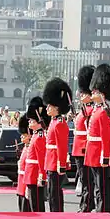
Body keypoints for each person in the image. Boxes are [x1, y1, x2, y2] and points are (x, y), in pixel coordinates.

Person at [84, 64, 110, 213]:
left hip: (99, 154)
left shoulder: (103, 111)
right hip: (93, 152)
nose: (92, 93)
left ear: (102, 93)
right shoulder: (97, 110)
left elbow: (106, 136)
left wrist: (105, 156)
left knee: (102, 185)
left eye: (95, 91)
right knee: (97, 185)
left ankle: (103, 209)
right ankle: (99, 207)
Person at [42, 78, 72, 212]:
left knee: (55, 193)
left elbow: (62, 146)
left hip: (55, 162)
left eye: (49, 106)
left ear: (56, 107)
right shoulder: (54, 122)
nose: (47, 108)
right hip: (50, 161)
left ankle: (57, 213)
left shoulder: (60, 123)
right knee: (52, 192)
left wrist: (61, 164)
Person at [73, 65, 96, 212]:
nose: (80, 96)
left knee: (87, 181)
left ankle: (87, 205)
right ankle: (86, 203)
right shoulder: (83, 111)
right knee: (83, 180)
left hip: (84, 150)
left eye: (83, 94)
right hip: (78, 149)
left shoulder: (91, 110)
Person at [24, 97, 50, 212]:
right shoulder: (35, 135)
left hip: (35, 173)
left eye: (32, 121)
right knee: (32, 201)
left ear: (39, 123)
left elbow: (41, 157)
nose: (29, 122)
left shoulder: (40, 137)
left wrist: (41, 175)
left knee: (36, 204)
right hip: (30, 172)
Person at [16, 114, 31, 212]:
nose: (21, 137)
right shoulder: (26, 147)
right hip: (21, 180)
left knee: (26, 207)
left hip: (26, 180)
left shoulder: (30, 148)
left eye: (24, 135)